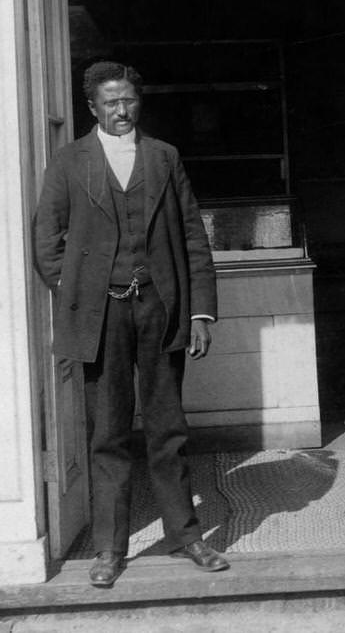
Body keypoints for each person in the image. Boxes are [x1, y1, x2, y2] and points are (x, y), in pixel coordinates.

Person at [33, 60, 229, 588]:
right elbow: (46, 241)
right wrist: (77, 294)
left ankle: (187, 536)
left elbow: (192, 238)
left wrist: (200, 310)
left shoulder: (164, 157)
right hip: (102, 318)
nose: (122, 111)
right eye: (111, 103)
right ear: (92, 108)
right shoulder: (70, 160)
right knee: (109, 435)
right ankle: (109, 549)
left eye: (129, 101)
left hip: (159, 311)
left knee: (167, 430)